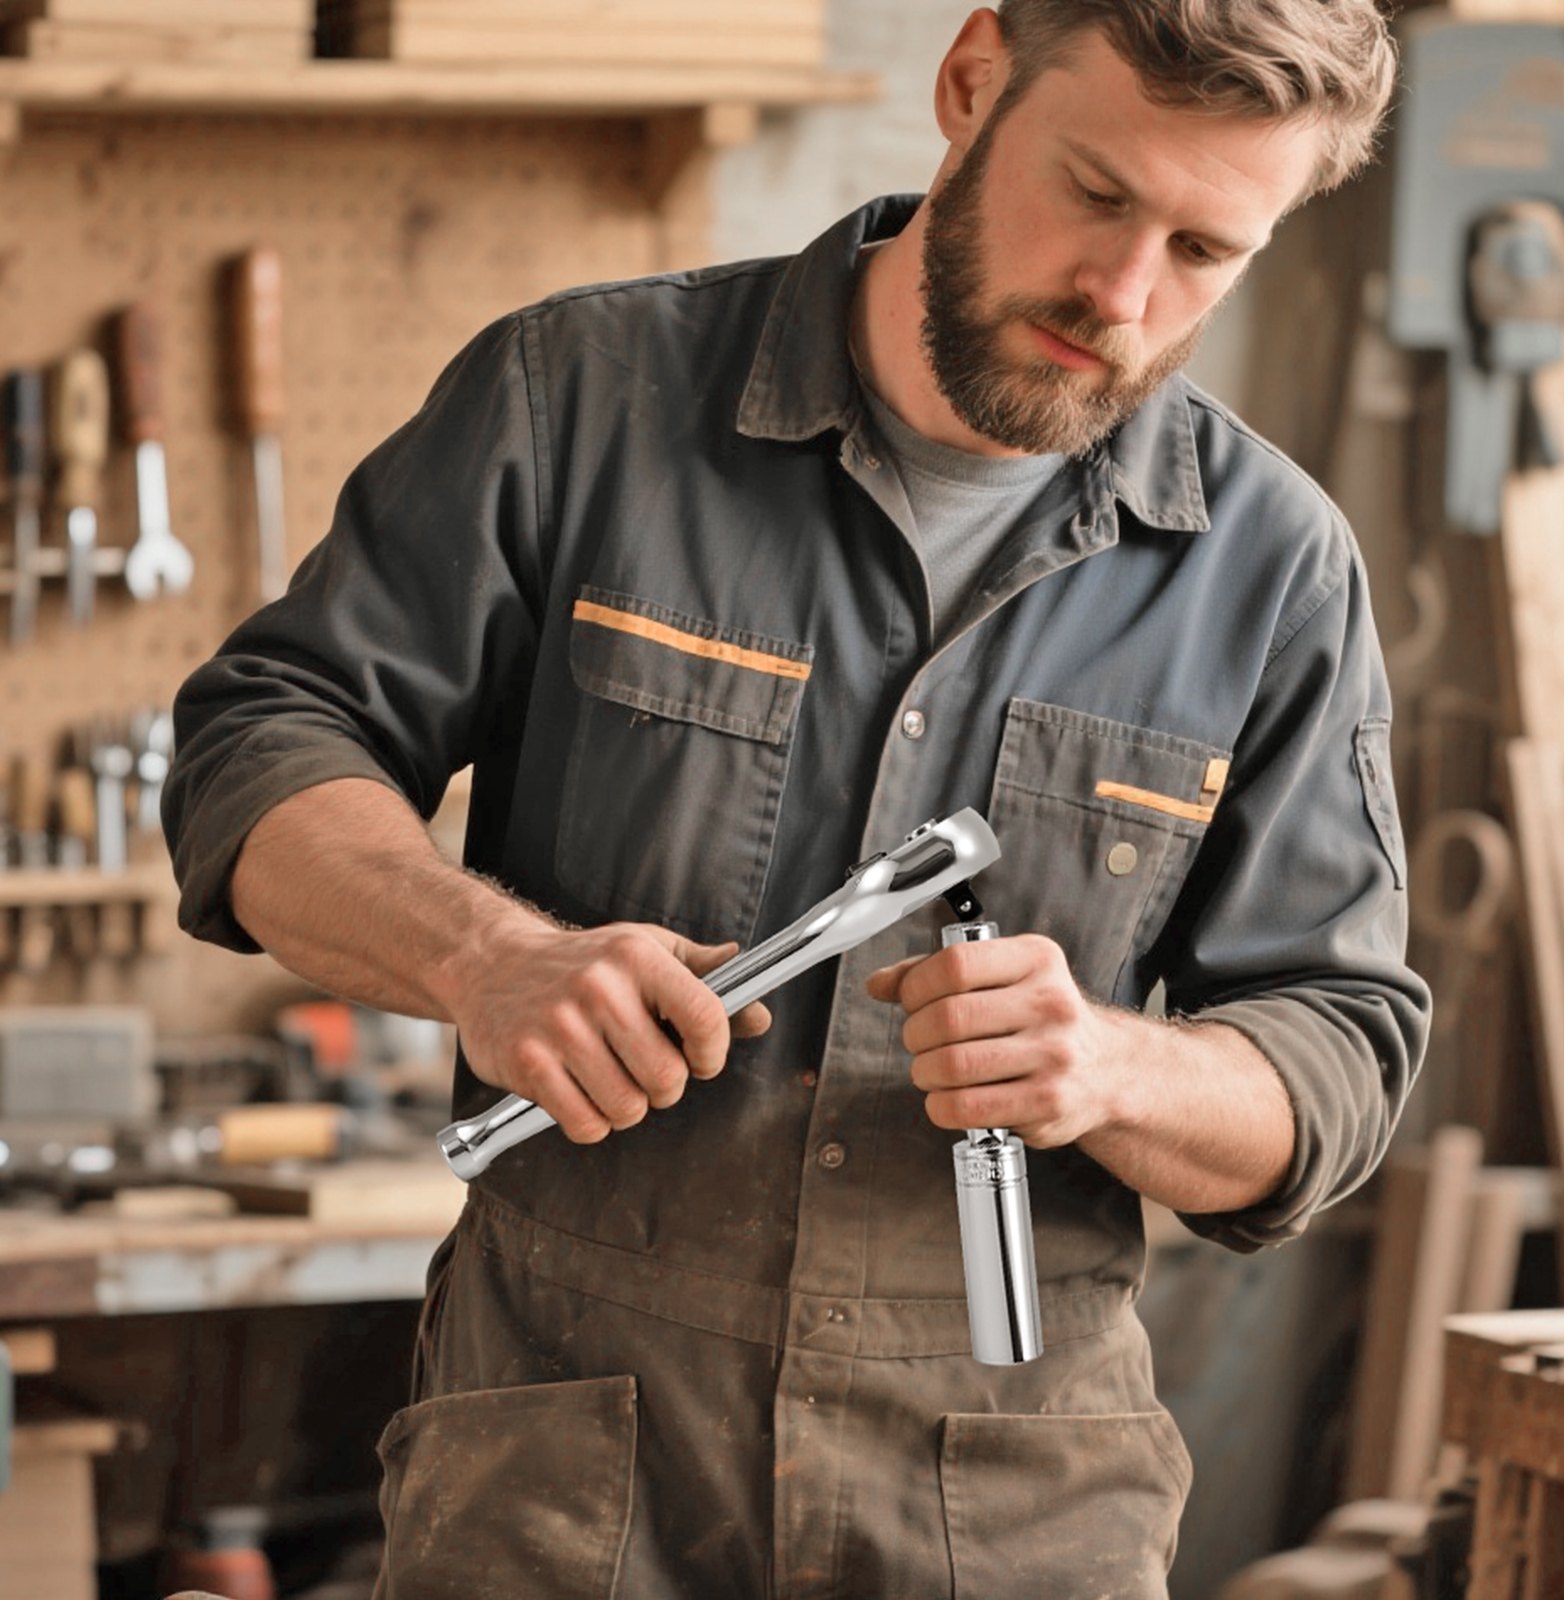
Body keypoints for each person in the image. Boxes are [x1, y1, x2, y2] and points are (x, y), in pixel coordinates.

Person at [164, 2, 1430, 1595]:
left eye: (1203, 250)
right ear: (971, 83)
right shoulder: (582, 397)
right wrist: (481, 956)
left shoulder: (1274, 568)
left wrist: (1114, 1066)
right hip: (567, 1478)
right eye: (1097, 195)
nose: (1124, 295)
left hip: (1013, 1504)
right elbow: (262, 742)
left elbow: (1335, 1058)